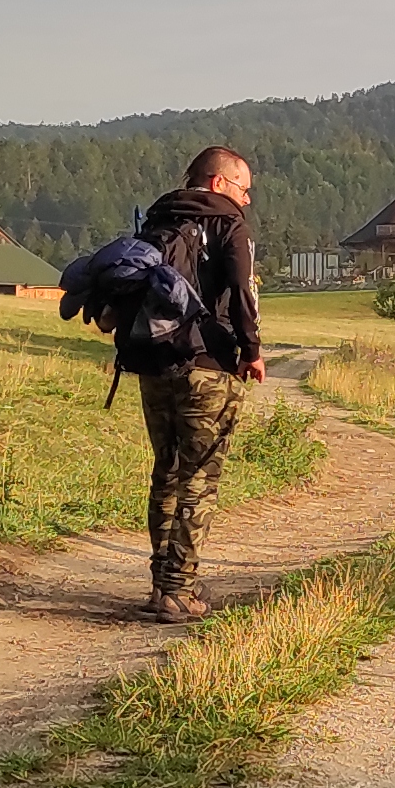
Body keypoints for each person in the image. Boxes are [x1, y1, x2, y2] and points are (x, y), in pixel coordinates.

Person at [130, 145, 264, 621]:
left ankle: (159, 585)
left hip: (153, 364)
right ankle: (179, 589)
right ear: (218, 183)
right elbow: (243, 293)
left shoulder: (157, 220)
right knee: (200, 479)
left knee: (165, 470)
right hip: (208, 366)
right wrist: (251, 350)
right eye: (243, 189)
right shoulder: (229, 224)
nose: (246, 200)